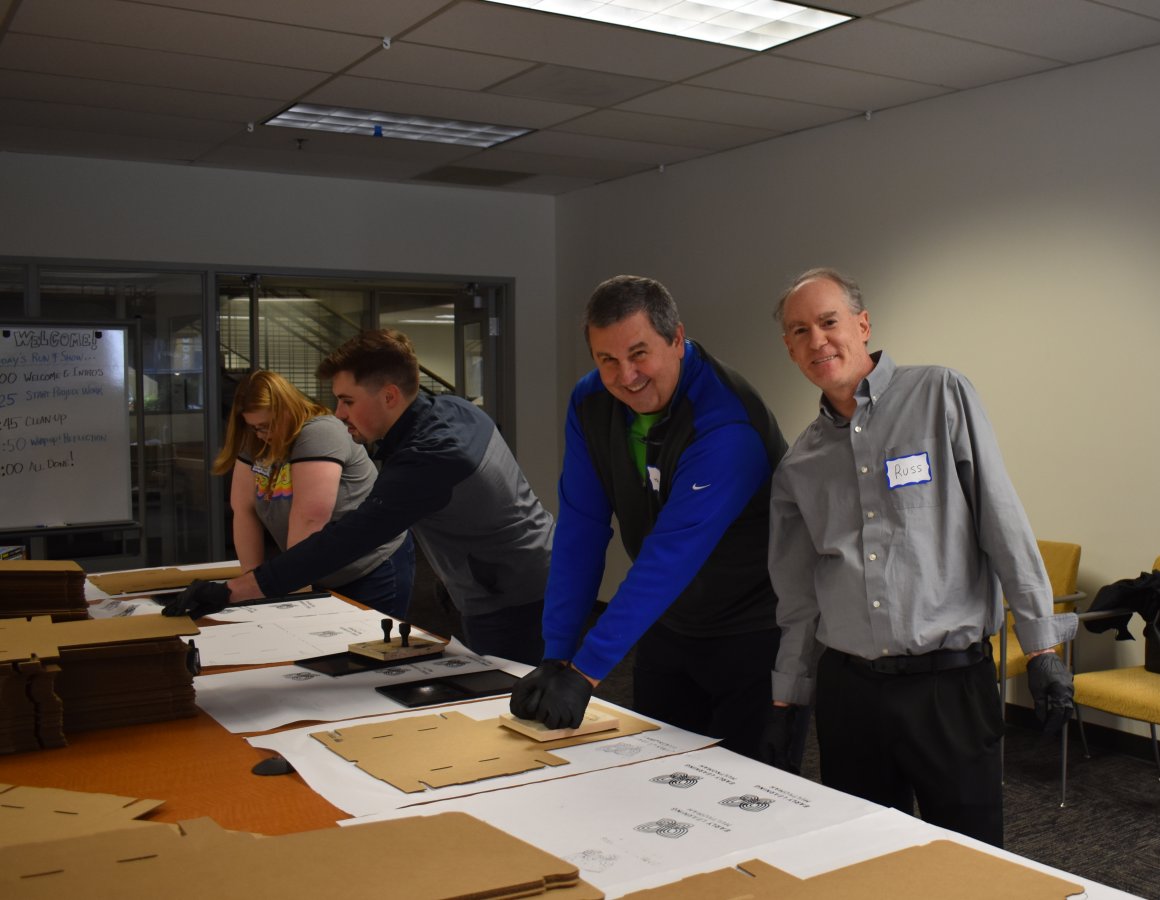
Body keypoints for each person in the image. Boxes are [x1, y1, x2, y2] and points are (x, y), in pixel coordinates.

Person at [760, 268, 1074, 846]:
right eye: (799, 331)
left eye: (829, 322)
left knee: (971, 860)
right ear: (789, 348)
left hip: (947, 689)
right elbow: (799, 598)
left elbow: (1002, 522)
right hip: (849, 693)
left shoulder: (939, 394)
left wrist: (1043, 646)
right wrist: (788, 696)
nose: (817, 341)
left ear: (862, 323)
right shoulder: (799, 464)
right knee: (864, 858)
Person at [509, 275, 799, 767]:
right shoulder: (590, 402)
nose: (626, 376)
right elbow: (581, 529)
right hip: (670, 624)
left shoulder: (727, 423)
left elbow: (671, 555)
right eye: (608, 360)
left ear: (677, 339)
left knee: (750, 795)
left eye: (639, 354)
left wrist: (588, 672)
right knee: (658, 777)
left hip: (755, 632)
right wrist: (557, 653)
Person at [165, 330, 555, 665]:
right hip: (510, 575)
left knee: (511, 704)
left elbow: (345, 540)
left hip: (514, 594)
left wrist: (231, 592)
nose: (338, 414)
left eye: (347, 401)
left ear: (388, 396)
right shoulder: (452, 410)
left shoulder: (431, 457)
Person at [212, 369, 413, 616]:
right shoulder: (257, 438)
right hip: (318, 567)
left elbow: (309, 519)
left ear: (288, 408)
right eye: (255, 428)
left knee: (367, 648)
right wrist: (249, 587)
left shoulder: (319, 432)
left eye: (267, 425)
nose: (265, 435)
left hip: (368, 566)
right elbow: (244, 511)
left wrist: (283, 589)